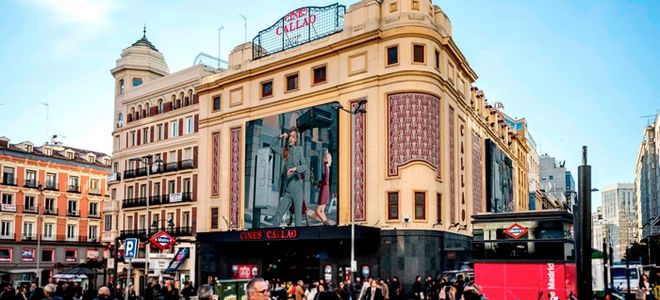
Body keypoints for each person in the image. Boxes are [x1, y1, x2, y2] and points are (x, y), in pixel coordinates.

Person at [270, 127, 309, 227]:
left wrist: (295, 169)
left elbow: (305, 166)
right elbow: (272, 146)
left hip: (297, 190)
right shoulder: (284, 151)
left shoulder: (299, 150)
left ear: (296, 139)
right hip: (287, 190)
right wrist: (280, 136)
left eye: (293, 137)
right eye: (290, 136)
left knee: (298, 221)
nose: (291, 138)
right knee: (277, 217)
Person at [313, 150, 332, 225]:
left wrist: (320, 184)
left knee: (318, 211)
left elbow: (326, 180)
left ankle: (326, 224)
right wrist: (319, 184)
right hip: (326, 189)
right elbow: (325, 180)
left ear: (326, 158)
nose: (323, 158)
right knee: (322, 211)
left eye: (324, 157)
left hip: (324, 189)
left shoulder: (325, 165)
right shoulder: (327, 166)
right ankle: (327, 225)